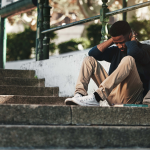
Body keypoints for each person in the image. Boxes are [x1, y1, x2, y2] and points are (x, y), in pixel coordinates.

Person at [65, 20, 150, 106]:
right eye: (116, 43)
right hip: (112, 95)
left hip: (132, 97)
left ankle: (97, 97)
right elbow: (93, 53)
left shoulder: (145, 49)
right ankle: (79, 95)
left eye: (122, 42)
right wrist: (113, 39)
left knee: (128, 59)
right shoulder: (116, 51)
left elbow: (133, 53)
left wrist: (133, 39)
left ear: (130, 35)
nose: (120, 46)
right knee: (89, 60)